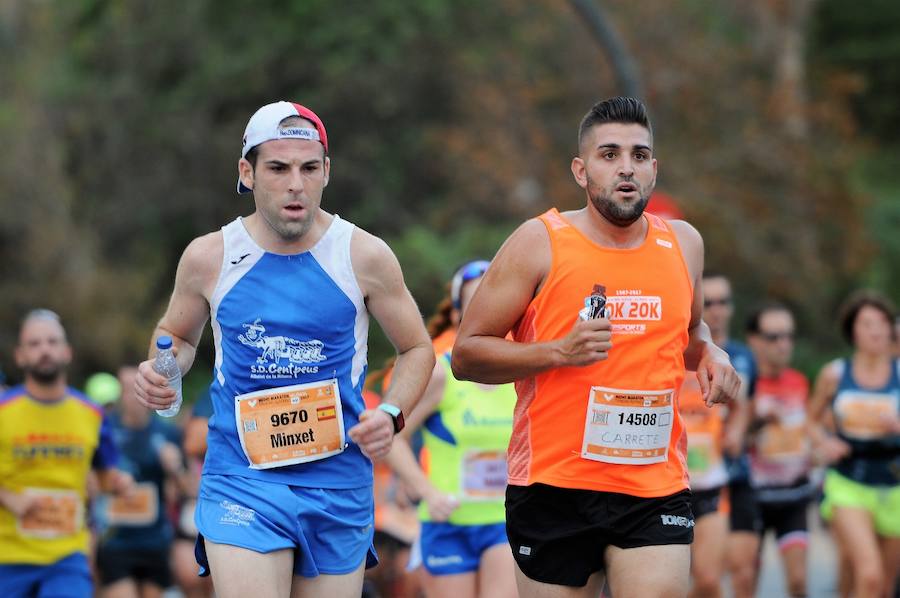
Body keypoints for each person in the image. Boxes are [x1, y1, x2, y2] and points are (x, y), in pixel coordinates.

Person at [133, 100, 435, 598]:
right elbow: (179, 336)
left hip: (337, 483)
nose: (296, 183)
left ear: (326, 172)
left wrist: (394, 413)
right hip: (242, 479)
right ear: (247, 173)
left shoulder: (363, 255)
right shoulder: (211, 256)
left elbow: (417, 348)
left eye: (308, 168)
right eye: (278, 168)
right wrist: (163, 372)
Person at [451, 97, 741, 598]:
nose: (626, 166)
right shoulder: (539, 241)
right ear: (581, 171)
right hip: (554, 484)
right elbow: (467, 354)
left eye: (639, 154)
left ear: (654, 168)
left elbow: (688, 335)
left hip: (654, 484)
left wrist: (714, 353)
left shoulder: (685, 243)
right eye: (609, 155)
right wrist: (558, 352)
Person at [387, 260, 518, 598]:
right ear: (460, 315)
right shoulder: (440, 375)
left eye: (493, 304)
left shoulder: (522, 376)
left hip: (503, 524)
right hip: (447, 524)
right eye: (474, 304)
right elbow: (391, 438)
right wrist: (425, 491)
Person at [0, 309, 132, 598]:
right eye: (34, 344)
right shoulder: (3, 410)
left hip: (67, 556)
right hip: (7, 557)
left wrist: (119, 484)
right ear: (20, 355)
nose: (44, 350)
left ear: (67, 351)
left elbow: (106, 477)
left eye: (52, 341)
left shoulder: (92, 414)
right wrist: (8, 496)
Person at [809, 290, 900, 598]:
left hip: (894, 482)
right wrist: (826, 442)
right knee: (869, 575)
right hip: (847, 481)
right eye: (867, 323)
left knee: (885, 587)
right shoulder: (834, 374)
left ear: (891, 329)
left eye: (882, 322)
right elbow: (809, 421)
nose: (876, 330)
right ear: (853, 331)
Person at [94, 365, 188, 598]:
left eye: (138, 389)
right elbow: (90, 482)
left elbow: (188, 489)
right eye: (127, 390)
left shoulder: (166, 433)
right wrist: (111, 481)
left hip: (154, 540)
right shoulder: (104, 430)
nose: (133, 396)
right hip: (116, 541)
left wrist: (174, 468)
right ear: (119, 395)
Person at [745, 303, 814, 597]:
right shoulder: (743, 382)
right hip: (752, 497)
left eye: (788, 336)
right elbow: (729, 439)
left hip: (793, 496)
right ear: (753, 340)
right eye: (773, 337)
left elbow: (808, 429)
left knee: (798, 582)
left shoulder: (799, 381)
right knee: (745, 583)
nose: (783, 344)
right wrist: (759, 423)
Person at [702, 271, 759, 598]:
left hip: (735, 474)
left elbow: (747, 407)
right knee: (705, 581)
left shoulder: (744, 356)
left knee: (742, 572)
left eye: (724, 302)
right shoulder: (682, 353)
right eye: (709, 302)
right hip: (691, 478)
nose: (718, 309)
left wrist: (737, 429)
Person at [679, 373, 729, 598]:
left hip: (709, 485)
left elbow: (742, 405)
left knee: (708, 579)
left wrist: (736, 430)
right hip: (670, 490)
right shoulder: (658, 360)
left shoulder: (715, 365)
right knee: (673, 584)